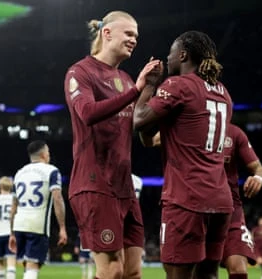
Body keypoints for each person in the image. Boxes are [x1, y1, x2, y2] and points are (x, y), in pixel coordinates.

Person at [63, 10, 161, 279]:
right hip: (94, 185)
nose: (134, 40)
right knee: (112, 271)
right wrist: (136, 91)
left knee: (132, 272)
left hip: (125, 188)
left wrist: (150, 91)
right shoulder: (80, 72)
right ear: (107, 33)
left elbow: (140, 130)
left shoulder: (128, 80)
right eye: (129, 34)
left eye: (136, 36)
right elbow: (88, 113)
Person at [133, 30, 233, 279]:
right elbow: (150, 137)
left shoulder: (179, 85)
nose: (168, 59)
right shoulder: (223, 92)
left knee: (177, 274)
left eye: (171, 53)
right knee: (208, 275)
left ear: (183, 54)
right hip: (220, 199)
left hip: (186, 199)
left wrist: (151, 86)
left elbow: (137, 120)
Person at [8, 140, 67, 279]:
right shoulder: (52, 171)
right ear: (43, 155)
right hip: (37, 225)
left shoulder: (19, 173)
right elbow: (57, 199)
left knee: (27, 265)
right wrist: (62, 227)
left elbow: (13, 206)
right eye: (48, 153)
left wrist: (11, 233)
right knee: (33, 266)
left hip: (19, 224)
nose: (49, 156)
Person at [220, 123, 262, 279]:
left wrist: (258, 178)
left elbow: (260, 169)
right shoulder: (189, 127)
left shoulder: (234, 133)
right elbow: (151, 140)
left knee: (239, 270)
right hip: (197, 208)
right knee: (202, 271)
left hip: (231, 210)